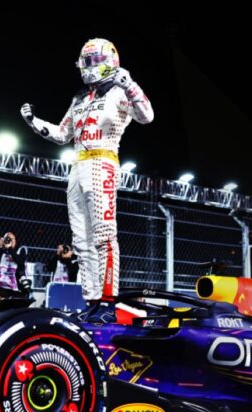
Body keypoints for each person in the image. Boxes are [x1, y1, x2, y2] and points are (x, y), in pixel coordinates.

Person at [21, 38, 154, 321]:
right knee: (81, 241)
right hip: (77, 167)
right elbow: (62, 134)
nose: (89, 66)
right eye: (86, 61)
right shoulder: (79, 98)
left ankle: (108, 301)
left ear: (109, 61)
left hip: (102, 162)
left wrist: (130, 84)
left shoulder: (119, 91)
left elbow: (147, 116)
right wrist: (34, 122)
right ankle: (92, 301)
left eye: (94, 61)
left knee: (104, 236)